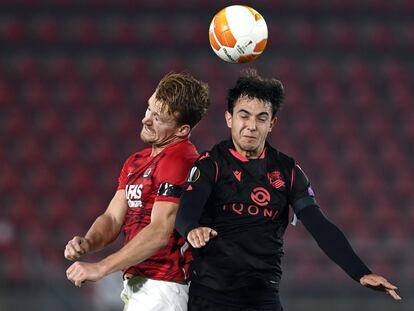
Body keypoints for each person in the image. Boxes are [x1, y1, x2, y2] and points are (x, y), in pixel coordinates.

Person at [175, 69, 401, 311]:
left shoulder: (287, 171)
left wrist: (360, 272)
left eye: (261, 118)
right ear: (229, 118)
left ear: (271, 124)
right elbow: (186, 211)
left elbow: (319, 225)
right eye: (244, 116)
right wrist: (191, 229)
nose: (251, 126)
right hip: (211, 296)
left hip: (263, 297)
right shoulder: (212, 164)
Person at [64, 72, 210, 311]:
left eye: (158, 118)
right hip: (142, 287)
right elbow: (112, 218)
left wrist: (100, 267)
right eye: (149, 109)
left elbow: (160, 231)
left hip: (164, 287)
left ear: (182, 130)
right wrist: (88, 242)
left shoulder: (180, 159)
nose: (146, 120)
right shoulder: (137, 161)